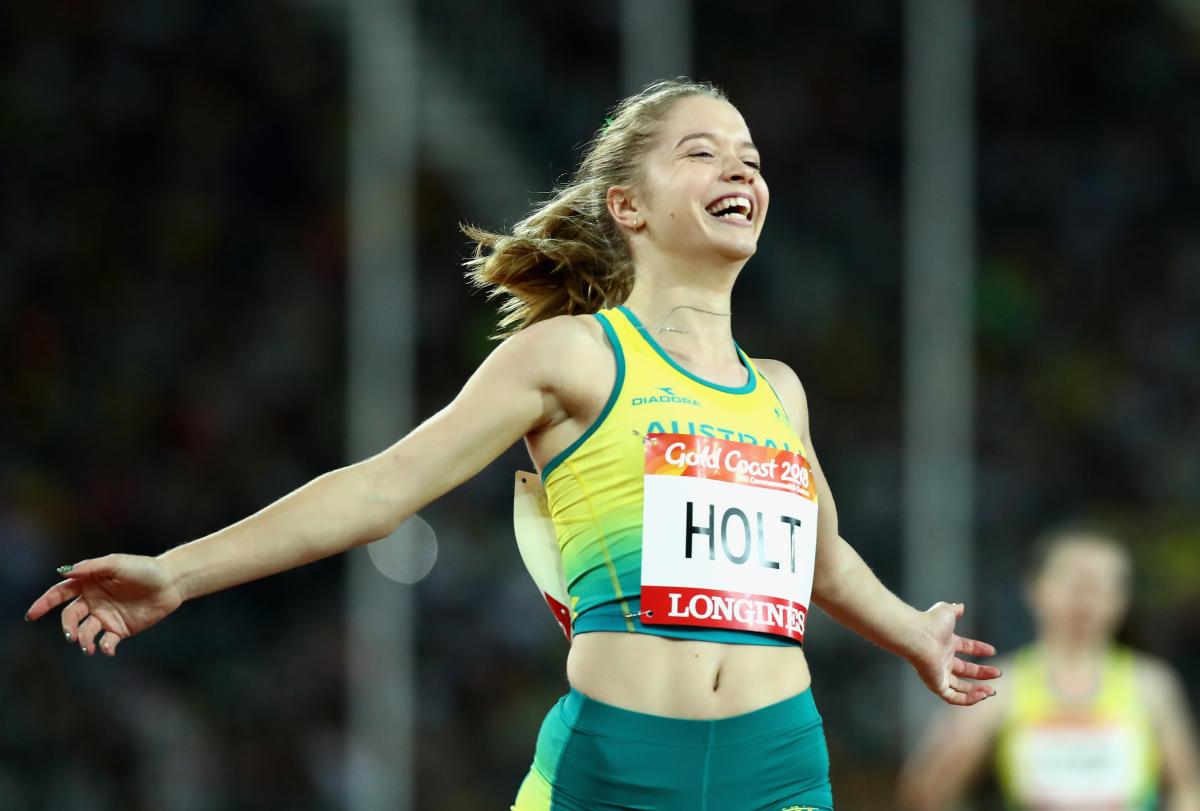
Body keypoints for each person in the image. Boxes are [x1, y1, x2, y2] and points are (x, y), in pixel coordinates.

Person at [26, 78, 1000, 811]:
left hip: (780, 761)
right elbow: (381, 489)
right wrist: (179, 573)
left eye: (748, 154)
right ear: (628, 205)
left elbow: (820, 557)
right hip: (616, 767)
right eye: (703, 152)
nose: (741, 168)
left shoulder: (778, 391)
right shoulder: (573, 359)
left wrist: (910, 629)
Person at [897, 527, 1200, 811]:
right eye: (1074, 581)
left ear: (1123, 598)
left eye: (1102, 584)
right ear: (1034, 588)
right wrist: (941, 771)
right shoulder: (1000, 685)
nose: (1086, 597)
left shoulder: (1151, 684)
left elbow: (1189, 791)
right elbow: (923, 793)